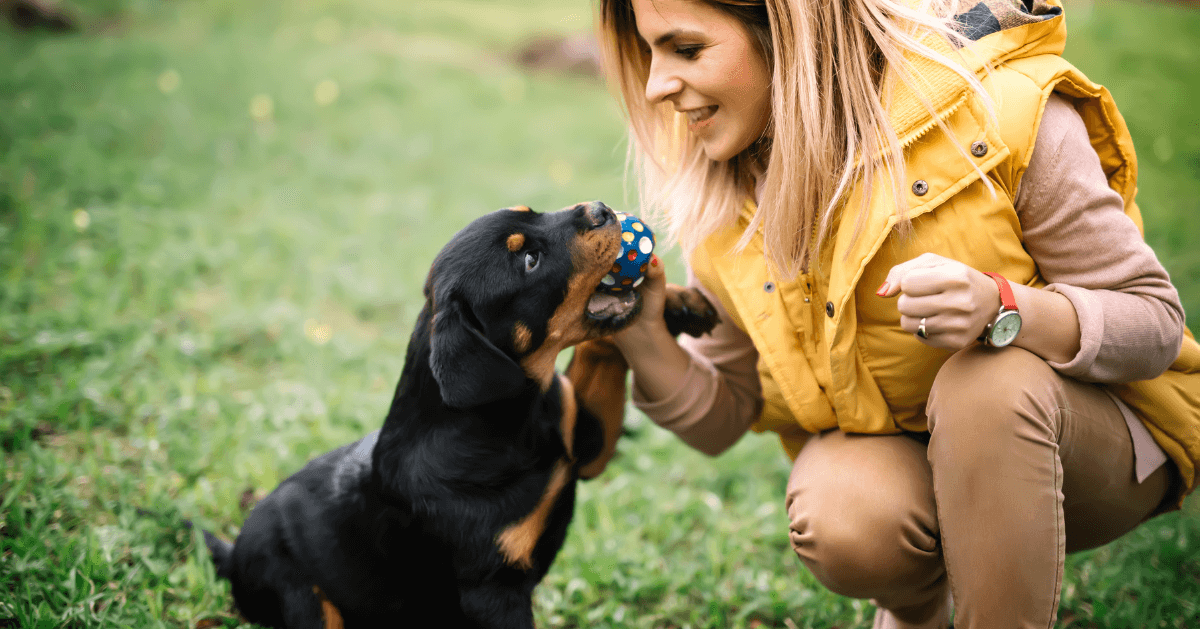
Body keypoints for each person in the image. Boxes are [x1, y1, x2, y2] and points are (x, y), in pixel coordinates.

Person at [593, 0, 1200, 627]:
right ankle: (916, 612)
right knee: (845, 512)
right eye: (650, 54)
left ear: (787, 31)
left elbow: (1150, 321)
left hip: (1101, 443)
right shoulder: (727, 191)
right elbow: (723, 415)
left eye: (686, 50)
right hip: (915, 452)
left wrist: (1005, 307)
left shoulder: (1002, 110)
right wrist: (641, 333)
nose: (656, 86)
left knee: (985, 385)